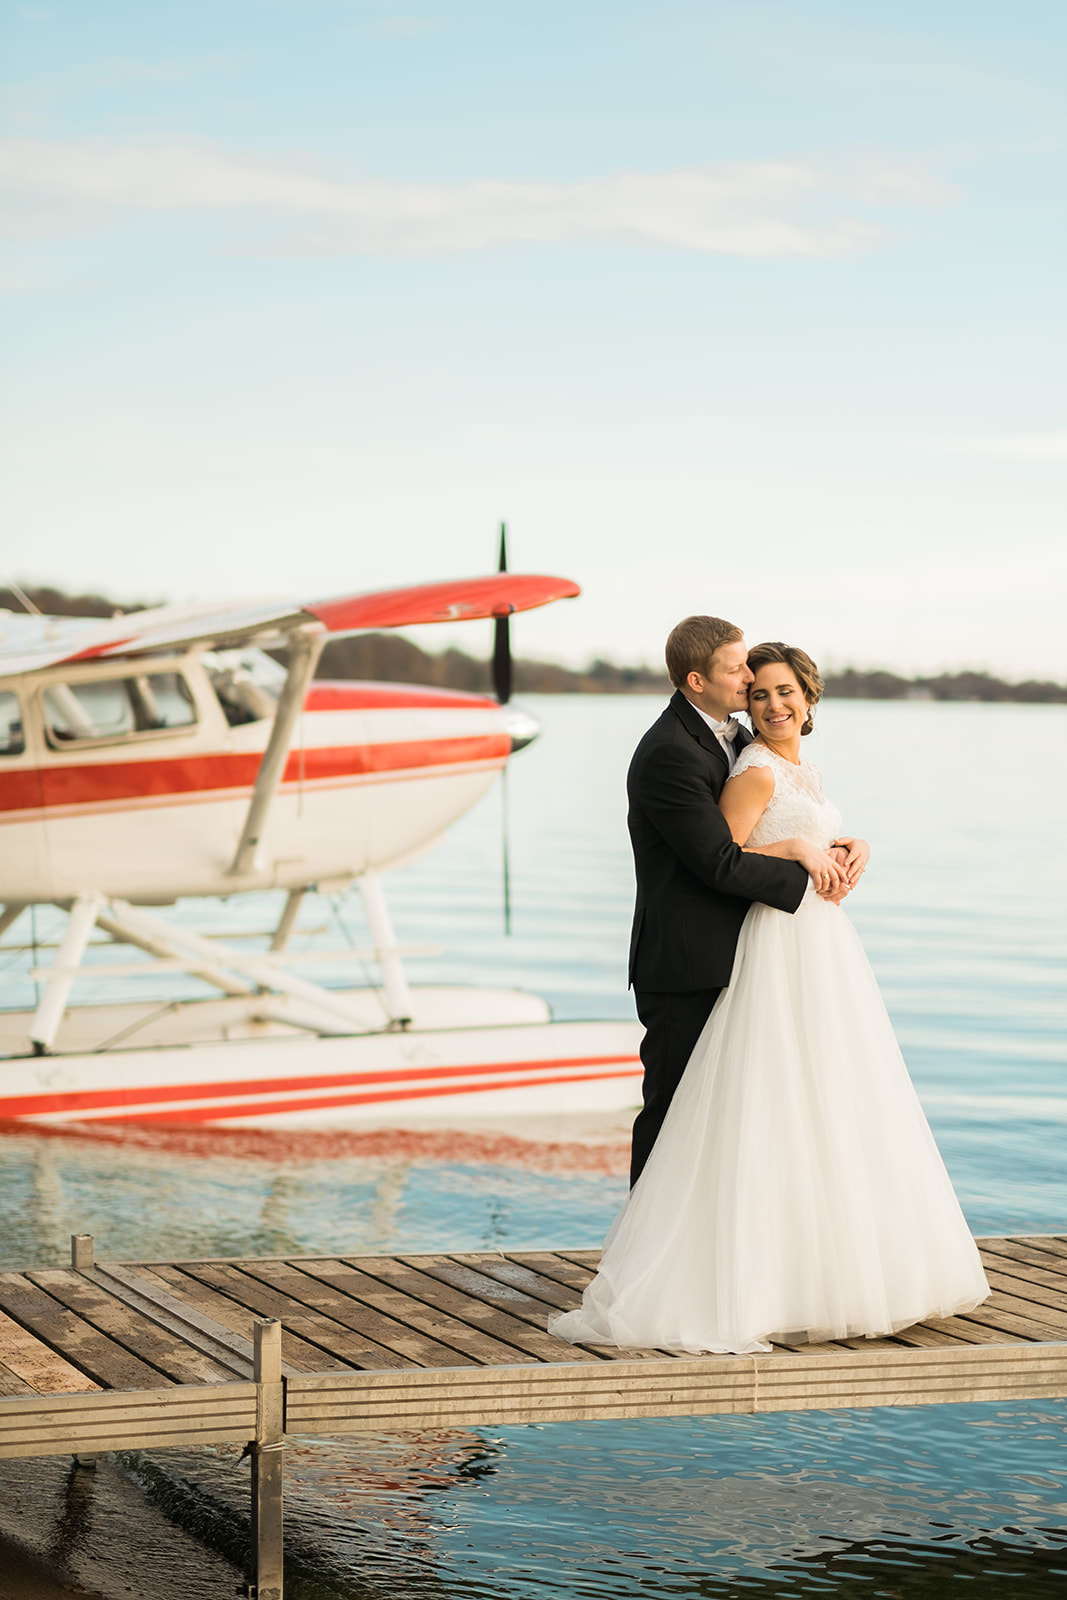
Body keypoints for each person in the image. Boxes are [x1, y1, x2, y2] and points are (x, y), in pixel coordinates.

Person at [550, 641, 988, 1353]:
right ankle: (655, 1275)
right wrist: (794, 856)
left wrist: (849, 847)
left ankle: (800, 1268)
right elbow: (721, 857)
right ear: (719, 687)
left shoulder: (777, 760)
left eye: (782, 691)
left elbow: (788, 835)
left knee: (811, 1105)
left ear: (809, 698)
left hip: (813, 943)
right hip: (752, 946)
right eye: (755, 690)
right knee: (701, 1113)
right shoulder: (738, 764)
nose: (769, 702)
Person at [625, 615, 851, 1186]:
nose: (750, 678)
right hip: (687, 961)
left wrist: (844, 850)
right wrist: (808, 877)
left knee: (731, 1117)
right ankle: (640, 1258)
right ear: (697, 681)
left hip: (748, 954)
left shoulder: (737, 737)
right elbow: (718, 861)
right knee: (674, 1112)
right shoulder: (669, 752)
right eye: (738, 669)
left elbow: (779, 814)